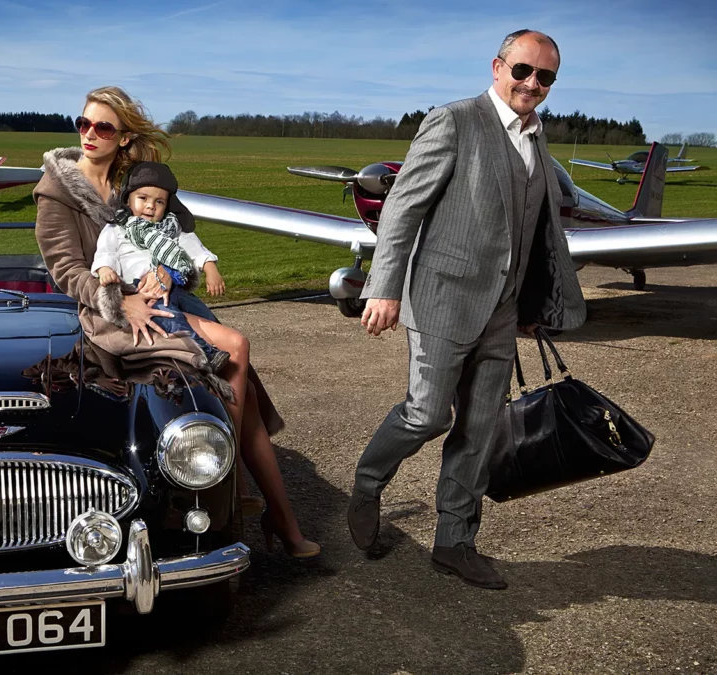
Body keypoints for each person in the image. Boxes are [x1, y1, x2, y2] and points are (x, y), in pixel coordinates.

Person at [34, 86, 319, 558]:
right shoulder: (58, 192)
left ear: (123, 137)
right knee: (230, 373)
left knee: (234, 369)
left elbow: (184, 239)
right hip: (112, 312)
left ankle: (263, 508)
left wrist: (171, 269)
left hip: (172, 296)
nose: (89, 134)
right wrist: (119, 302)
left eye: (102, 126)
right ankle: (264, 512)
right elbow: (66, 271)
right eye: (82, 123)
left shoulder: (144, 178)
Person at [346, 30, 585, 589]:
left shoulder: (537, 137)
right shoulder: (455, 120)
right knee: (429, 416)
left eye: (545, 77)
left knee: (480, 430)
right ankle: (367, 482)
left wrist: (532, 305)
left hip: (501, 311)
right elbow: (403, 206)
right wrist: (383, 288)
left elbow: (536, 231)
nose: (532, 84)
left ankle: (455, 541)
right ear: (498, 66)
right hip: (442, 298)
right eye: (523, 70)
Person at [92, 161, 234, 373]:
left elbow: (192, 245)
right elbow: (106, 251)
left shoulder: (170, 227)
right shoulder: (117, 229)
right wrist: (105, 269)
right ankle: (205, 353)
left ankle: (220, 343)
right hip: (143, 290)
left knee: (202, 312)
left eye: (159, 201)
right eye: (143, 198)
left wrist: (210, 267)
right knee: (170, 318)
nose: (151, 206)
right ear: (128, 199)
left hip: (174, 285)